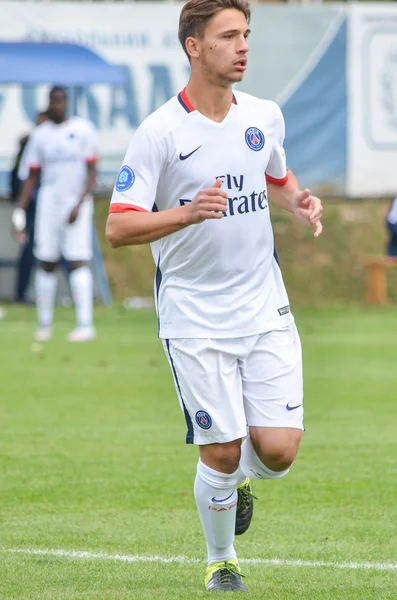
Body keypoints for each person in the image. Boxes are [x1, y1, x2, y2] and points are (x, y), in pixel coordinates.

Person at [106, 0, 323, 592]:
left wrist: (299, 202)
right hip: (195, 316)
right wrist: (185, 212)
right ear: (193, 47)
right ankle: (221, 559)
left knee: (277, 451)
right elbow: (118, 226)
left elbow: (276, 177)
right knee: (221, 452)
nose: (244, 46)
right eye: (229, 36)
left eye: (246, 34)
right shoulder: (160, 133)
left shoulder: (264, 116)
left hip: (264, 305)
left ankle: (239, 482)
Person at [13, 86, 98, 342]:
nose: (58, 105)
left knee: (77, 260)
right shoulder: (40, 135)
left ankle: (85, 324)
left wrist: (79, 203)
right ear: (49, 103)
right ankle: (45, 325)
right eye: (54, 101)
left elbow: (93, 171)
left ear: (67, 103)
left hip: (76, 205)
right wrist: (19, 209)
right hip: (49, 205)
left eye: (62, 101)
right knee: (46, 261)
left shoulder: (83, 130)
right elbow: (31, 175)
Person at [9, 110, 48, 304]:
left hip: (50, 207)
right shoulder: (29, 146)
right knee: (29, 250)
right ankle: (21, 294)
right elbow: (19, 177)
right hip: (33, 207)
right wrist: (20, 208)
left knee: (61, 254)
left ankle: (78, 293)